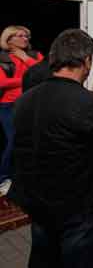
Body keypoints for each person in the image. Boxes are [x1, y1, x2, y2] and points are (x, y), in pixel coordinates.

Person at [9, 29, 93, 268]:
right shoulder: (90, 102)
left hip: (36, 199)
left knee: (43, 257)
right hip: (78, 205)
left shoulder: (26, 99)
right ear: (86, 61)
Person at [0, 25, 44, 194]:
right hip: (8, 106)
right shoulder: (2, 57)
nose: (25, 38)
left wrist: (25, 58)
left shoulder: (34, 55)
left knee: (33, 141)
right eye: (21, 36)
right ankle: (3, 178)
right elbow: (2, 83)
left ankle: (25, 176)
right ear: (9, 39)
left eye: (27, 36)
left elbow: (44, 74)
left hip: (32, 104)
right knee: (13, 141)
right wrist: (26, 79)